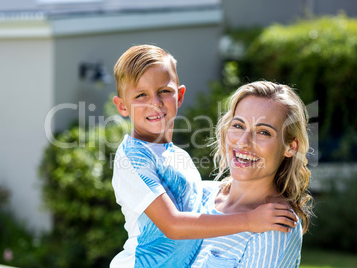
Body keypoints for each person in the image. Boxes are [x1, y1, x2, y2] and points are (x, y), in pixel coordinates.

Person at [110, 45, 298, 268]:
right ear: (122, 106)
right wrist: (249, 220)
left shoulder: (179, 158)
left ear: (179, 96)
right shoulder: (132, 158)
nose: (155, 103)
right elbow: (173, 225)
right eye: (141, 95)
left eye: (164, 91)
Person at [191, 81, 313, 267]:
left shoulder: (275, 227)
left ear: (290, 147)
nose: (243, 141)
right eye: (238, 125)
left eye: (263, 132)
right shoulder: (197, 195)